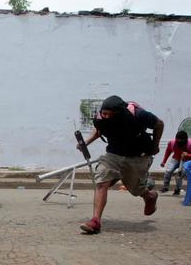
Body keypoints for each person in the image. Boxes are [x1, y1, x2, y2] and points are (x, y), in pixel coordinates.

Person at [78, 95, 164, 234]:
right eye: (103, 113)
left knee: (135, 189)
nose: (105, 117)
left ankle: (149, 196)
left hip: (137, 155)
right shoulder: (101, 118)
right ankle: (95, 221)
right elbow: (100, 129)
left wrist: (155, 146)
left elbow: (159, 124)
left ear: (119, 113)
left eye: (108, 114)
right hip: (113, 154)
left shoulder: (139, 115)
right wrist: (86, 143)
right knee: (102, 182)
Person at [159, 130, 191, 195]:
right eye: (178, 141)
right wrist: (163, 161)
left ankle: (177, 189)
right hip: (175, 158)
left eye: (181, 142)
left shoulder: (190, 144)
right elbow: (168, 152)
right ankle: (165, 187)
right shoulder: (172, 143)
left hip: (186, 161)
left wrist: (188, 155)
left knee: (179, 174)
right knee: (168, 171)